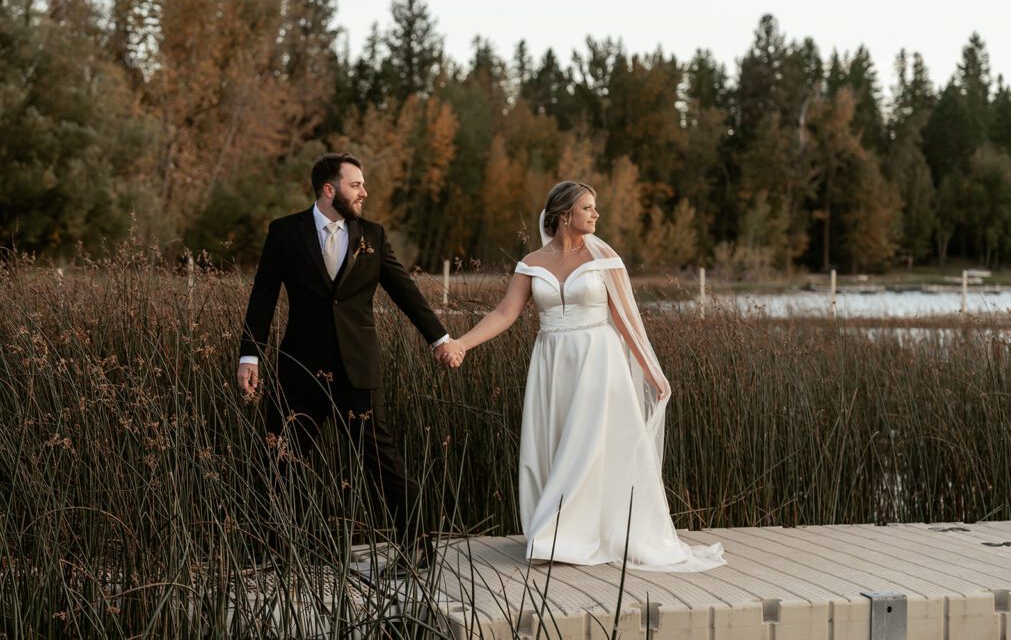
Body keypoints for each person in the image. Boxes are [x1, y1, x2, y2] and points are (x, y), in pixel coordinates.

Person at [442, 182, 726, 571]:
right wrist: (462, 343)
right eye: (588, 208)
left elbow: (627, 322)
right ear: (563, 216)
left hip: (598, 360)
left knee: (587, 445)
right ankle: (557, 530)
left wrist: (651, 370)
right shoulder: (531, 262)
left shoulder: (605, 258)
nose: (595, 215)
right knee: (555, 443)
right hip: (551, 362)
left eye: (594, 208)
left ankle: (564, 535)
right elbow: (504, 313)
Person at [237, 152, 458, 569]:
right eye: (356, 184)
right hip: (299, 370)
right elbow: (262, 297)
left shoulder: (371, 234)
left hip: (357, 370)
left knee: (383, 462)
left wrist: (440, 339)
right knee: (277, 459)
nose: (364, 192)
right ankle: (273, 551)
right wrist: (250, 356)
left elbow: (405, 291)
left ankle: (417, 548)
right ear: (329, 189)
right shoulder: (285, 233)